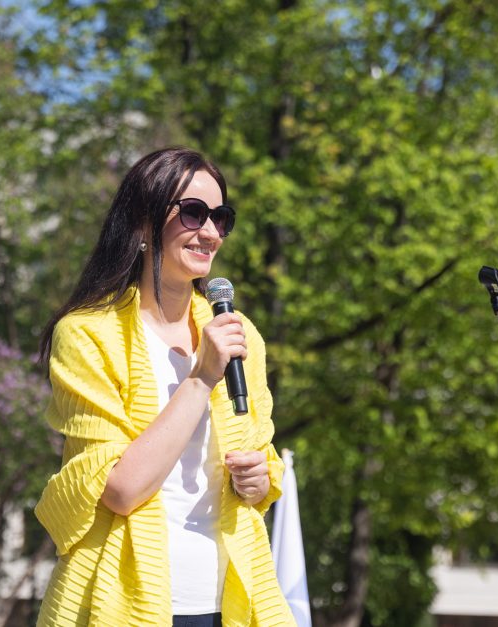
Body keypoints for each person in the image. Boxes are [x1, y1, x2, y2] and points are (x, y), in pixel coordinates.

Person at [33, 147, 295, 626]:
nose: (211, 232)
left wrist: (259, 480)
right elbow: (121, 488)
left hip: (233, 600)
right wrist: (200, 377)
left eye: (221, 217)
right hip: (124, 602)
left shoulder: (240, 335)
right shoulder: (88, 333)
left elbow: (260, 457)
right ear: (143, 222)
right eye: (194, 213)